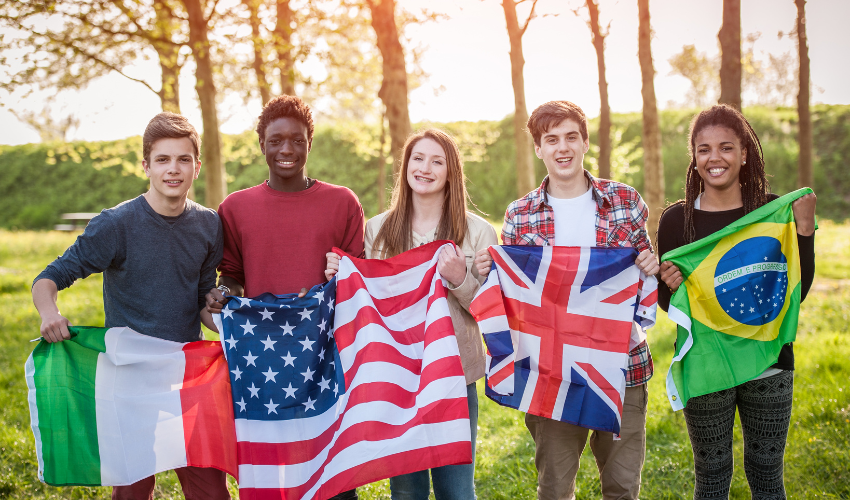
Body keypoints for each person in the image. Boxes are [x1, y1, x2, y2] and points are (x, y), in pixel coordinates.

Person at [31, 112, 228, 500]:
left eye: (183, 159)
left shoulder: (209, 225)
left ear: (197, 166)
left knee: (210, 488)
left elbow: (203, 301)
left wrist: (233, 328)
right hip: (130, 376)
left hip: (184, 373)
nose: (174, 170)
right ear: (146, 166)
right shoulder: (116, 225)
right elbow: (49, 278)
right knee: (132, 491)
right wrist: (49, 312)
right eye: (163, 160)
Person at [474, 100, 659, 500]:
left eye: (571, 137)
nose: (563, 148)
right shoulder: (520, 214)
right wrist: (488, 270)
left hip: (622, 366)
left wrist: (649, 262)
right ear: (538, 148)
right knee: (555, 488)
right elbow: (514, 296)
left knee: (623, 487)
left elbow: (645, 274)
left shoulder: (624, 201)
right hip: (552, 372)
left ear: (585, 142)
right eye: (551, 139)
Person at [204, 95, 365, 500]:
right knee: (274, 472)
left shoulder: (343, 202)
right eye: (276, 141)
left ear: (310, 141)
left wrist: (342, 275)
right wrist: (224, 294)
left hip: (326, 355)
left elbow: (358, 279)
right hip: (263, 358)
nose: (287, 150)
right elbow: (234, 276)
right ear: (261, 144)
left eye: (296, 140)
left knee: (333, 471)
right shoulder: (236, 207)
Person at [325, 128, 497, 500]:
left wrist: (459, 279)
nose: (426, 168)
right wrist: (341, 277)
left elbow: (491, 311)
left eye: (438, 161)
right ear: (405, 167)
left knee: (457, 490)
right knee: (407, 492)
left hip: (454, 373)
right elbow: (366, 300)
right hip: (397, 376)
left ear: (452, 172)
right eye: (418, 159)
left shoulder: (479, 232)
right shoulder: (379, 229)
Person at [656, 104, 816, 499]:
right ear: (693, 157)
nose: (715, 158)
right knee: (710, 477)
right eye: (704, 149)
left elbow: (795, 291)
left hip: (769, 362)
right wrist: (670, 285)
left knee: (767, 476)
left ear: (745, 154)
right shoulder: (676, 221)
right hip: (706, 364)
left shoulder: (772, 211)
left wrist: (806, 232)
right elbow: (666, 303)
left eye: (726, 147)